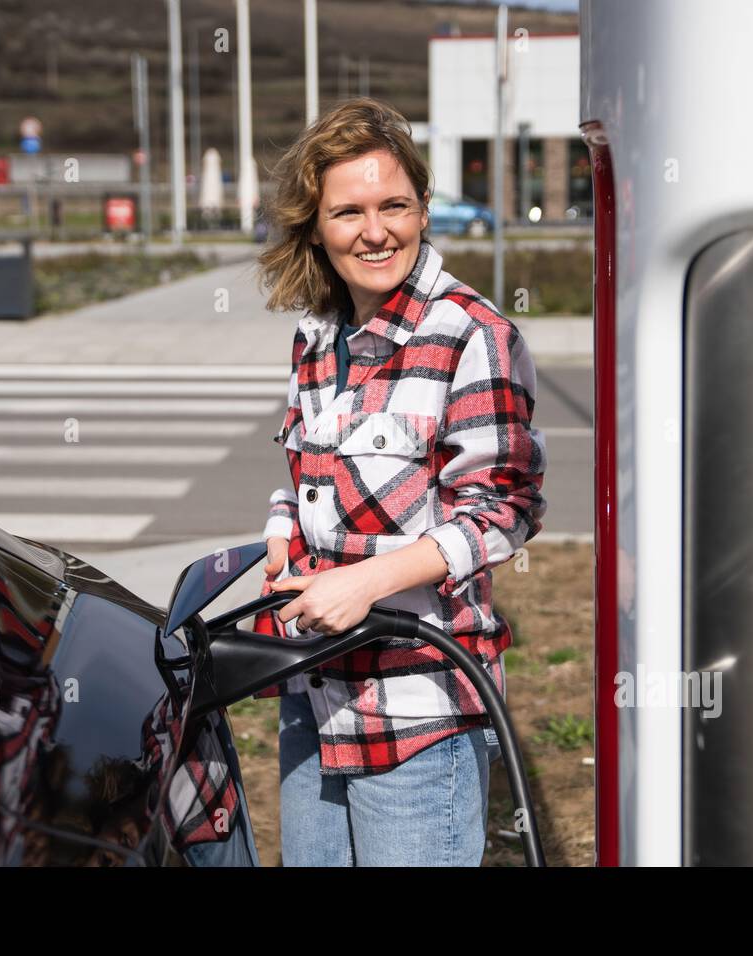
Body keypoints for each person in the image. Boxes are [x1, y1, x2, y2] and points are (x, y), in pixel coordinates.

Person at [252, 97, 547, 866]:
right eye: (348, 211)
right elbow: (314, 477)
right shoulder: (318, 338)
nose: (375, 231)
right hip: (313, 694)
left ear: (423, 210)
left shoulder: (471, 335)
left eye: (395, 206)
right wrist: (284, 523)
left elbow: (507, 507)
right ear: (314, 224)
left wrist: (367, 583)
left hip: (419, 710)